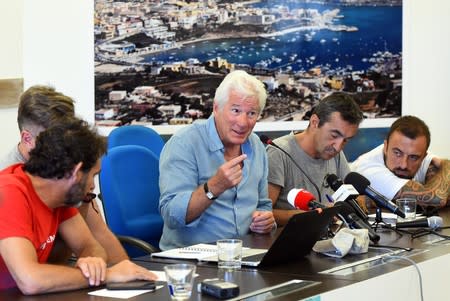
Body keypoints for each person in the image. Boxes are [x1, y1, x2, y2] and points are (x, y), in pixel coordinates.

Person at [0, 118, 156, 294]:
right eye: (93, 175)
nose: (92, 186)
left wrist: (92, 263)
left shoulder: (59, 194)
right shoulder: (8, 192)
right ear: (76, 173)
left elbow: (90, 247)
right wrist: (108, 275)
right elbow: (30, 280)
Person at [0, 85, 129, 264]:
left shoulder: (67, 168)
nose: (67, 144)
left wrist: (130, 275)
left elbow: (99, 234)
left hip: (68, 268)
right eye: (57, 138)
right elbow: (32, 273)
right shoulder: (8, 183)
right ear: (27, 139)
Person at [158, 70, 275, 250]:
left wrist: (265, 220)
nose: (243, 122)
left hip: (245, 255)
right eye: (235, 110)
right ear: (216, 108)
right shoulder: (184, 144)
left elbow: (263, 204)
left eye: (251, 113)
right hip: (193, 259)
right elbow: (172, 215)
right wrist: (214, 187)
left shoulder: (257, 146)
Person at [267, 92, 364, 226]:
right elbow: (262, 214)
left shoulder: (335, 153)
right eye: (334, 135)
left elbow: (352, 198)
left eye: (346, 140)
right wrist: (308, 216)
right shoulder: (278, 153)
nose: (338, 147)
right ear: (314, 122)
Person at [351, 115, 449, 209]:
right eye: (397, 153)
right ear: (385, 147)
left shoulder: (420, 155)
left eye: (413, 157)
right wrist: (447, 164)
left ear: (424, 156)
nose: (403, 165)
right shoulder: (369, 169)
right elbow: (438, 199)